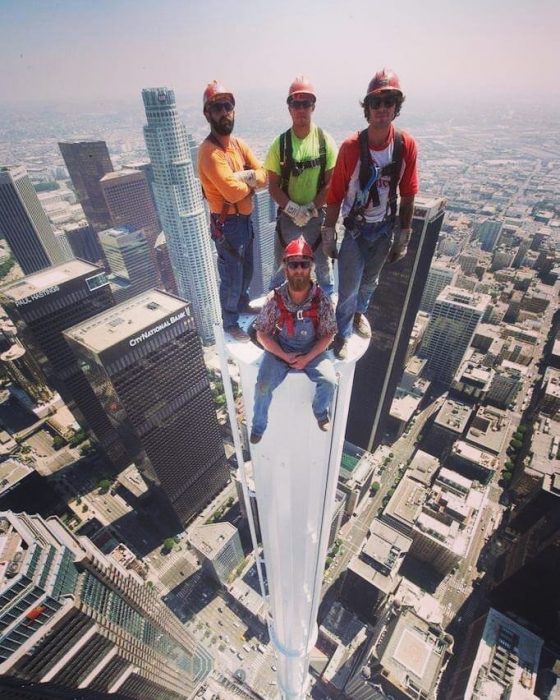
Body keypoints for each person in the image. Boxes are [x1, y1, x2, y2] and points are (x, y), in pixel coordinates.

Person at [322, 68, 419, 359]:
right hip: (356, 229)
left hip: (384, 228)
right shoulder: (352, 148)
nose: (382, 108)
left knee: (370, 282)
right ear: (367, 108)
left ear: (396, 107)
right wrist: (329, 234)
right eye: (376, 102)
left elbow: (409, 193)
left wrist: (403, 235)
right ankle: (342, 333)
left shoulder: (404, 145)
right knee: (349, 286)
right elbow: (335, 194)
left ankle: (357, 315)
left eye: (388, 101)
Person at [250, 236, 337, 444]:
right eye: (293, 264)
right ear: (286, 267)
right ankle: (258, 425)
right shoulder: (274, 300)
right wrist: (283, 355)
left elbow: (329, 334)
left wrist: (307, 359)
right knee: (262, 386)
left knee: (329, 381)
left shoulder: (321, 300)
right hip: (281, 349)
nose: (299, 270)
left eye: (304, 265)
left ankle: (320, 412)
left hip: (312, 350)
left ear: (311, 267)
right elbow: (262, 333)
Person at [198, 80, 267, 342]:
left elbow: (264, 175)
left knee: (247, 270)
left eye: (228, 106)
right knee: (231, 275)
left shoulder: (237, 145)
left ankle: (241, 304)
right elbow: (233, 192)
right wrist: (249, 185)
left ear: (234, 111)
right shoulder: (210, 153)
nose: (224, 112)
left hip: (244, 220)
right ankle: (229, 323)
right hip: (228, 224)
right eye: (217, 107)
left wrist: (244, 179)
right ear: (208, 114)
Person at [265, 77, 338, 296]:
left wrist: (311, 208)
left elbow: (331, 183)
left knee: (322, 264)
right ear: (289, 108)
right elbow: (273, 186)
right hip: (288, 215)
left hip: (316, 214)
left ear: (313, 107)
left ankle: (327, 301)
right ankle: (274, 301)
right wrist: (292, 209)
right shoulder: (280, 144)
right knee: (282, 261)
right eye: (296, 104)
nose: (301, 109)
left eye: (305, 104)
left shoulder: (325, 142)